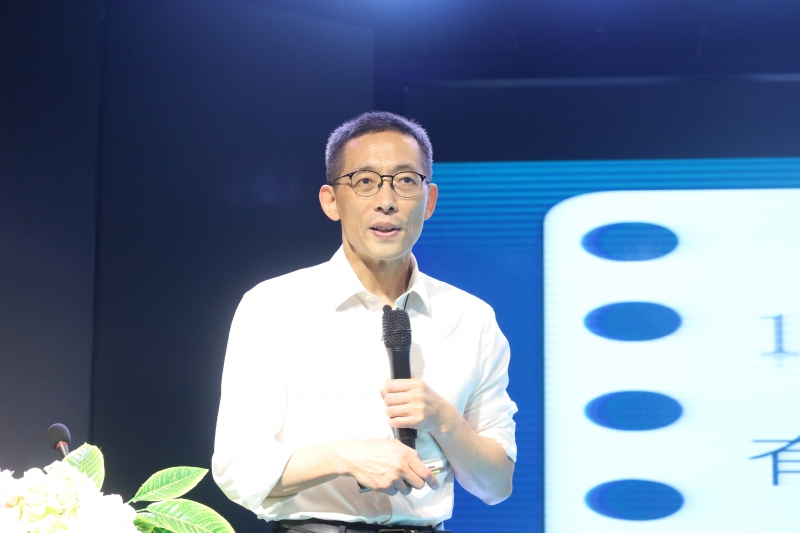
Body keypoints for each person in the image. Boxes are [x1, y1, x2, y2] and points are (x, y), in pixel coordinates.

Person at [212, 112, 517, 533]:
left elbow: (497, 485)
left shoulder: (472, 318)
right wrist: (345, 457)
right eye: (365, 181)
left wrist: (444, 420)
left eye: (405, 180)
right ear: (331, 201)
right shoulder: (273, 307)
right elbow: (236, 469)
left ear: (429, 200)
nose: (386, 200)